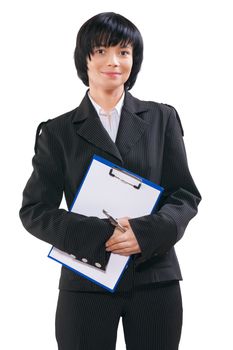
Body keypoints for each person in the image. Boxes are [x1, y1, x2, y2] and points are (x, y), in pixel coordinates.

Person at [19, 12, 201, 350]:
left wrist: (145, 234)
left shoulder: (162, 118)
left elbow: (185, 195)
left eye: (124, 51)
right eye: (101, 51)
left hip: (155, 277)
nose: (113, 61)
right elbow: (35, 210)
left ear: (135, 59)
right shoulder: (57, 132)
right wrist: (103, 235)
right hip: (86, 279)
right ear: (84, 59)